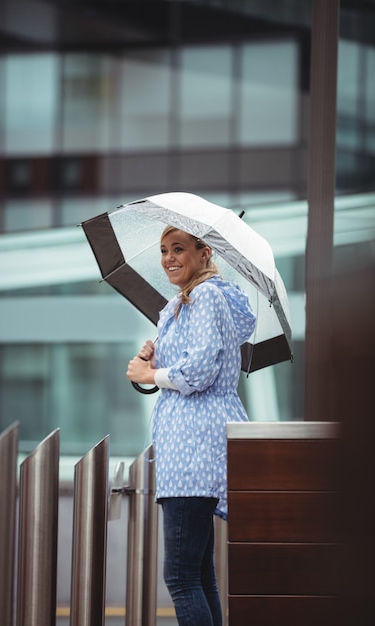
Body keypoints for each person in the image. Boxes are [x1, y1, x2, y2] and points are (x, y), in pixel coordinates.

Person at [126, 225, 256, 626]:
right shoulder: (190, 301)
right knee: (199, 575)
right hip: (196, 446)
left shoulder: (204, 296)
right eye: (164, 250)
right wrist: (152, 358)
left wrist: (151, 375)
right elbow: (188, 366)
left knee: (180, 577)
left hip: (192, 452)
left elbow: (198, 371)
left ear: (204, 253)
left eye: (179, 249)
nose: (169, 259)